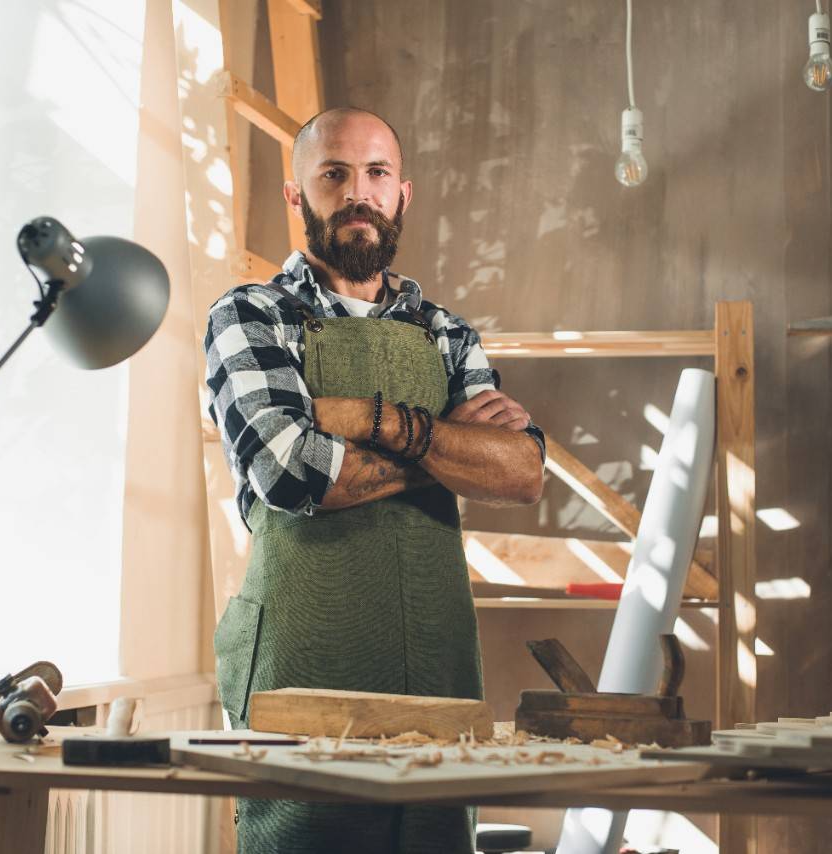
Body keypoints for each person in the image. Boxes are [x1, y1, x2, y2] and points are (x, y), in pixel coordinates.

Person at [204, 106, 545, 853]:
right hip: (301, 660)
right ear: (298, 196)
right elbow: (294, 472)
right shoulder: (251, 316)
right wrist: (448, 452)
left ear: (401, 194)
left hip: (436, 656)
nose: (358, 192)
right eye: (334, 174)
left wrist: (372, 419)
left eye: (376, 174)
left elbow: (521, 472)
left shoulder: (446, 332)